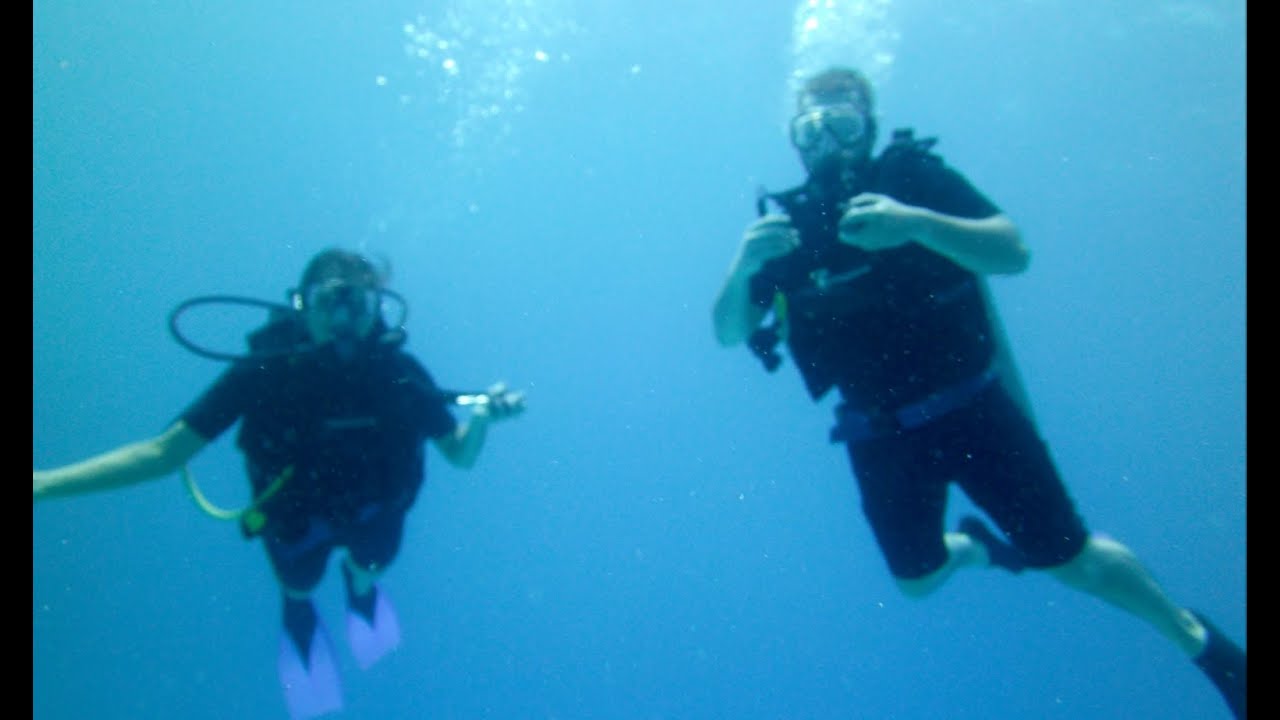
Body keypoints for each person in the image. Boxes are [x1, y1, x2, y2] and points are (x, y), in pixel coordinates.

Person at [711, 67, 1245, 718]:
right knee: (916, 582)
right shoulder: (785, 233)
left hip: (974, 411)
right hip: (878, 435)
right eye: (811, 131)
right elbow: (729, 331)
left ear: (868, 127)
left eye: (842, 125)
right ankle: (981, 549)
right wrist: (743, 265)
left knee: (1072, 563)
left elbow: (1013, 252)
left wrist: (916, 224)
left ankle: (1200, 643)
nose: (827, 144)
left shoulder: (912, 180)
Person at [33, 248, 526, 720]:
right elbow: (164, 454)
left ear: (377, 309)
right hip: (295, 522)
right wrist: (40, 484)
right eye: (328, 301)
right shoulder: (264, 372)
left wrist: (482, 420)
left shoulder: (400, 375)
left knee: (368, 567)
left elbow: (459, 454)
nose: (342, 319)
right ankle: (300, 606)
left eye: (356, 302)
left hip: (375, 515)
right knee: (299, 582)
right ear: (301, 306)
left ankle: (358, 591)